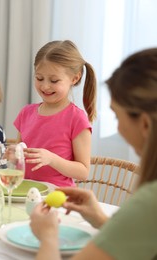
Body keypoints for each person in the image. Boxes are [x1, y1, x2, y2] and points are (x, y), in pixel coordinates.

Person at [30, 48, 157, 259]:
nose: (118, 129)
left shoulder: (149, 203)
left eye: (116, 116)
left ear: (144, 124)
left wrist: (48, 235)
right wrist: (99, 218)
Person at [14, 40, 97, 187]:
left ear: (75, 78)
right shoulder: (26, 113)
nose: (45, 86)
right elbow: (20, 156)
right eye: (39, 78)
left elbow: (83, 172)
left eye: (54, 80)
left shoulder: (76, 118)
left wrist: (52, 159)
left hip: (58, 196)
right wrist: (13, 155)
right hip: (25, 192)